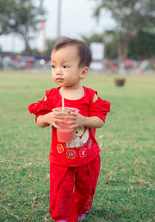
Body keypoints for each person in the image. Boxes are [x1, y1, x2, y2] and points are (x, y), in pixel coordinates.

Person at [28, 37, 111, 222]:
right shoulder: (51, 96)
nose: (58, 72)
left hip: (87, 155)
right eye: (53, 66)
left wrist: (84, 119)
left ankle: (81, 210)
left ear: (83, 72)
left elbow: (100, 120)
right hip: (60, 157)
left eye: (65, 67)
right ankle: (63, 217)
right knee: (60, 188)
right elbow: (39, 121)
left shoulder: (90, 96)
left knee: (85, 187)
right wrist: (47, 117)